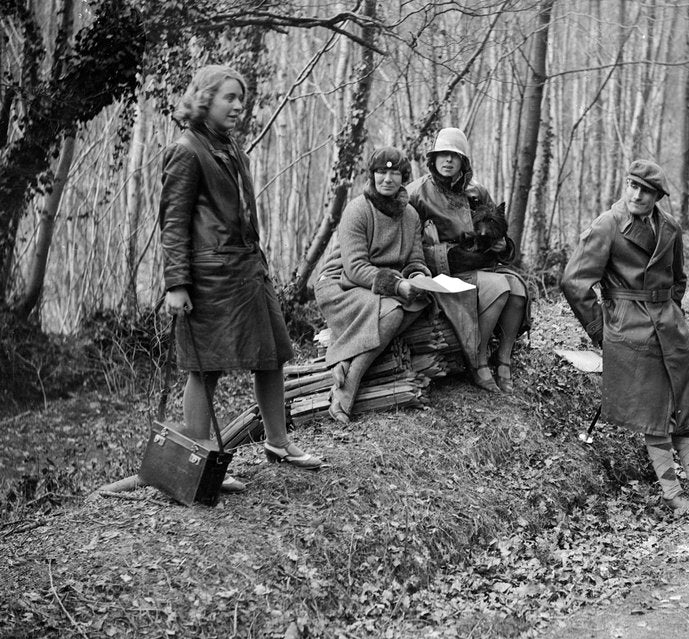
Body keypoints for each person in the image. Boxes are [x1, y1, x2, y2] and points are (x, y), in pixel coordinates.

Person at [161, 64, 322, 493]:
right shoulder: (186, 150)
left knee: (271, 354)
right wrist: (177, 284)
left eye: (240, 98)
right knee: (205, 368)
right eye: (228, 97)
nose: (238, 105)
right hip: (211, 278)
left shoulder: (228, 147)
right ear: (204, 99)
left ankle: (278, 444)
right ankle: (198, 463)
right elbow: (173, 223)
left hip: (250, 270)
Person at [561, 160, 689, 514]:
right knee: (654, 414)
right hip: (631, 329)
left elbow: (678, 279)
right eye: (632, 186)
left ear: (657, 196)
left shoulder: (669, 227)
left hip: (669, 328)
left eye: (646, 190)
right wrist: (603, 329)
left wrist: (671, 312)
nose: (637, 195)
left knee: (683, 407)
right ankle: (674, 495)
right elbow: (574, 281)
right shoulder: (608, 225)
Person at [315, 146, 431, 425]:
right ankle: (347, 387)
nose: (387, 179)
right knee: (392, 312)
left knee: (421, 303)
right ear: (372, 175)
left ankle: (348, 357)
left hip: (379, 286)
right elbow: (354, 268)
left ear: (404, 177)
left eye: (395, 173)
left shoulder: (411, 215)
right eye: (381, 172)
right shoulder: (358, 210)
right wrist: (396, 286)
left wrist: (416, 279)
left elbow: (415, 259)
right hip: (340, 285)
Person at [407, 127, 529, 394]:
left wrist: (501, 245)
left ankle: (504, 359)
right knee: (500, 288)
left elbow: (498, 227)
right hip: (442, 274)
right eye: (443, 154)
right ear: (433, 159)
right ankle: (478, 360)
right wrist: (447, 256)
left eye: (455, 155)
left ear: (464, 161)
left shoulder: (477, 192)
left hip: (480, 265)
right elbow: (407, 246)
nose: (449, 160)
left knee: (518, 290)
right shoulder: (416, 193)